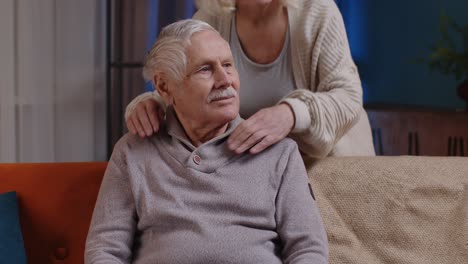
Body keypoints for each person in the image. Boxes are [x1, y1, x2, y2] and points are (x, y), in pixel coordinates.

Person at [85, 19, 328, 263]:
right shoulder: (132, 152)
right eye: (205, 69)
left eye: (228, 65)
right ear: (163, 85)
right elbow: (105, 250)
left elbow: (308, 250)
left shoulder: (279, 154)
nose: (226, 80)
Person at [125, 0, 375, 159]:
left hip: (332, 163)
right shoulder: (210, 20)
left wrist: (291, 114)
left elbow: (348, 95)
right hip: (254, 169)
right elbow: (182, 84)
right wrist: (152, 104)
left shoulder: (318, 11)